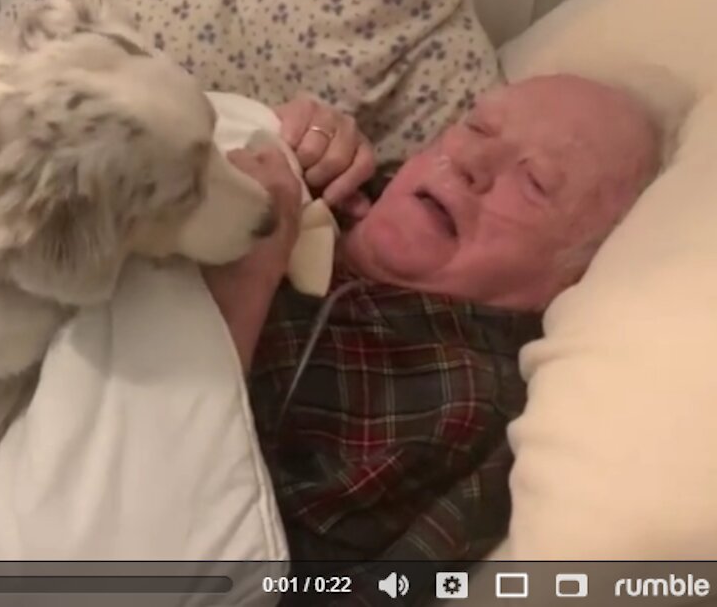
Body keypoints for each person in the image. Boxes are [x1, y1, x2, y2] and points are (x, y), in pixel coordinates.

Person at [202, 74, 664, 567]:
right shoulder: (344, 182)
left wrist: (242, 287)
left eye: (535, 183)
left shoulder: (456, 406)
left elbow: (204, 565)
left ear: (575, 276)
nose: (469, 163)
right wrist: (282, 136)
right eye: (480, 128)